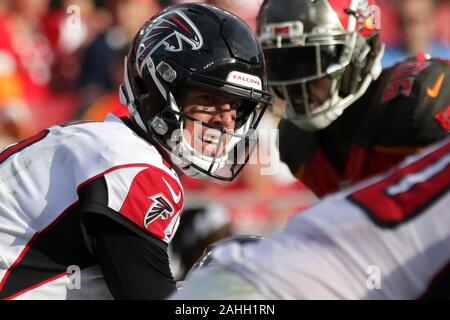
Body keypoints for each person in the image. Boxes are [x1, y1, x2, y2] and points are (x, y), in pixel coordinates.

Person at [0, 3, 271, 300]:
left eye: (235, 105)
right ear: (150, 88)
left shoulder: (104, 144)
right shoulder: (133, 165)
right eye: (208, 98)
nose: (226, 120)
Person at [171, 136, 450, 299]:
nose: (252, 161)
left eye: (255, 152)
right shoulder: (214, 195)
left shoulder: (293, 192)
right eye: (244, 153)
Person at [258, 0, 450, 197]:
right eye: (280, 62)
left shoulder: (422, 98)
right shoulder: (296, 142)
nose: (298, 83)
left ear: (359, 50)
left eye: (312, 60)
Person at [382, 0, 450, 68]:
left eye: (423, 20)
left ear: (434, 21)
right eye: (410, 21)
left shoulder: (447, 57)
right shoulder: (383, 59)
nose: (416, 30)